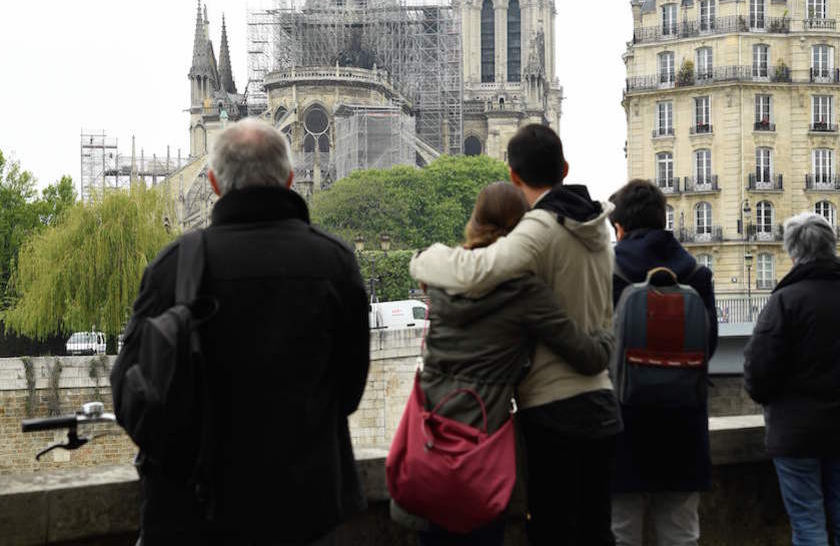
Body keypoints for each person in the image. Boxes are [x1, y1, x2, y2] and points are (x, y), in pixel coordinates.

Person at [117, 119, 370, 545]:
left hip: (195, 510)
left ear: (213, 183)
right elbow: (349, 392)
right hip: (303, 510)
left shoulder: (174, 267)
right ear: (290, 180)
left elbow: (130, 394)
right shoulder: (336, 264)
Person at [410, 124, 620, 545]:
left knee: (552, 531)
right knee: (597, 533)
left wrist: (424, 260)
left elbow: (476, 271)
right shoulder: (597, 227)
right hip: (602, 402)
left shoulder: (541, 229)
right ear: (564, 168)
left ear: (513, 175)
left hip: (553, 410)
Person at [744, 213, 840, 546]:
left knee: (808, 525)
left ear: (792, 252)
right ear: (832, 246)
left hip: (796, 434)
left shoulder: (785, 301)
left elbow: (759, 371)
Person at [606, 180, 718, 546]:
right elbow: (709, 346)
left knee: (622, 533)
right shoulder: (696, 275)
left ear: (619, 228)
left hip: (624, 424)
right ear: (662, 220)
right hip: (684, 425)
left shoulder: (610, 276)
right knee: (682, 534)